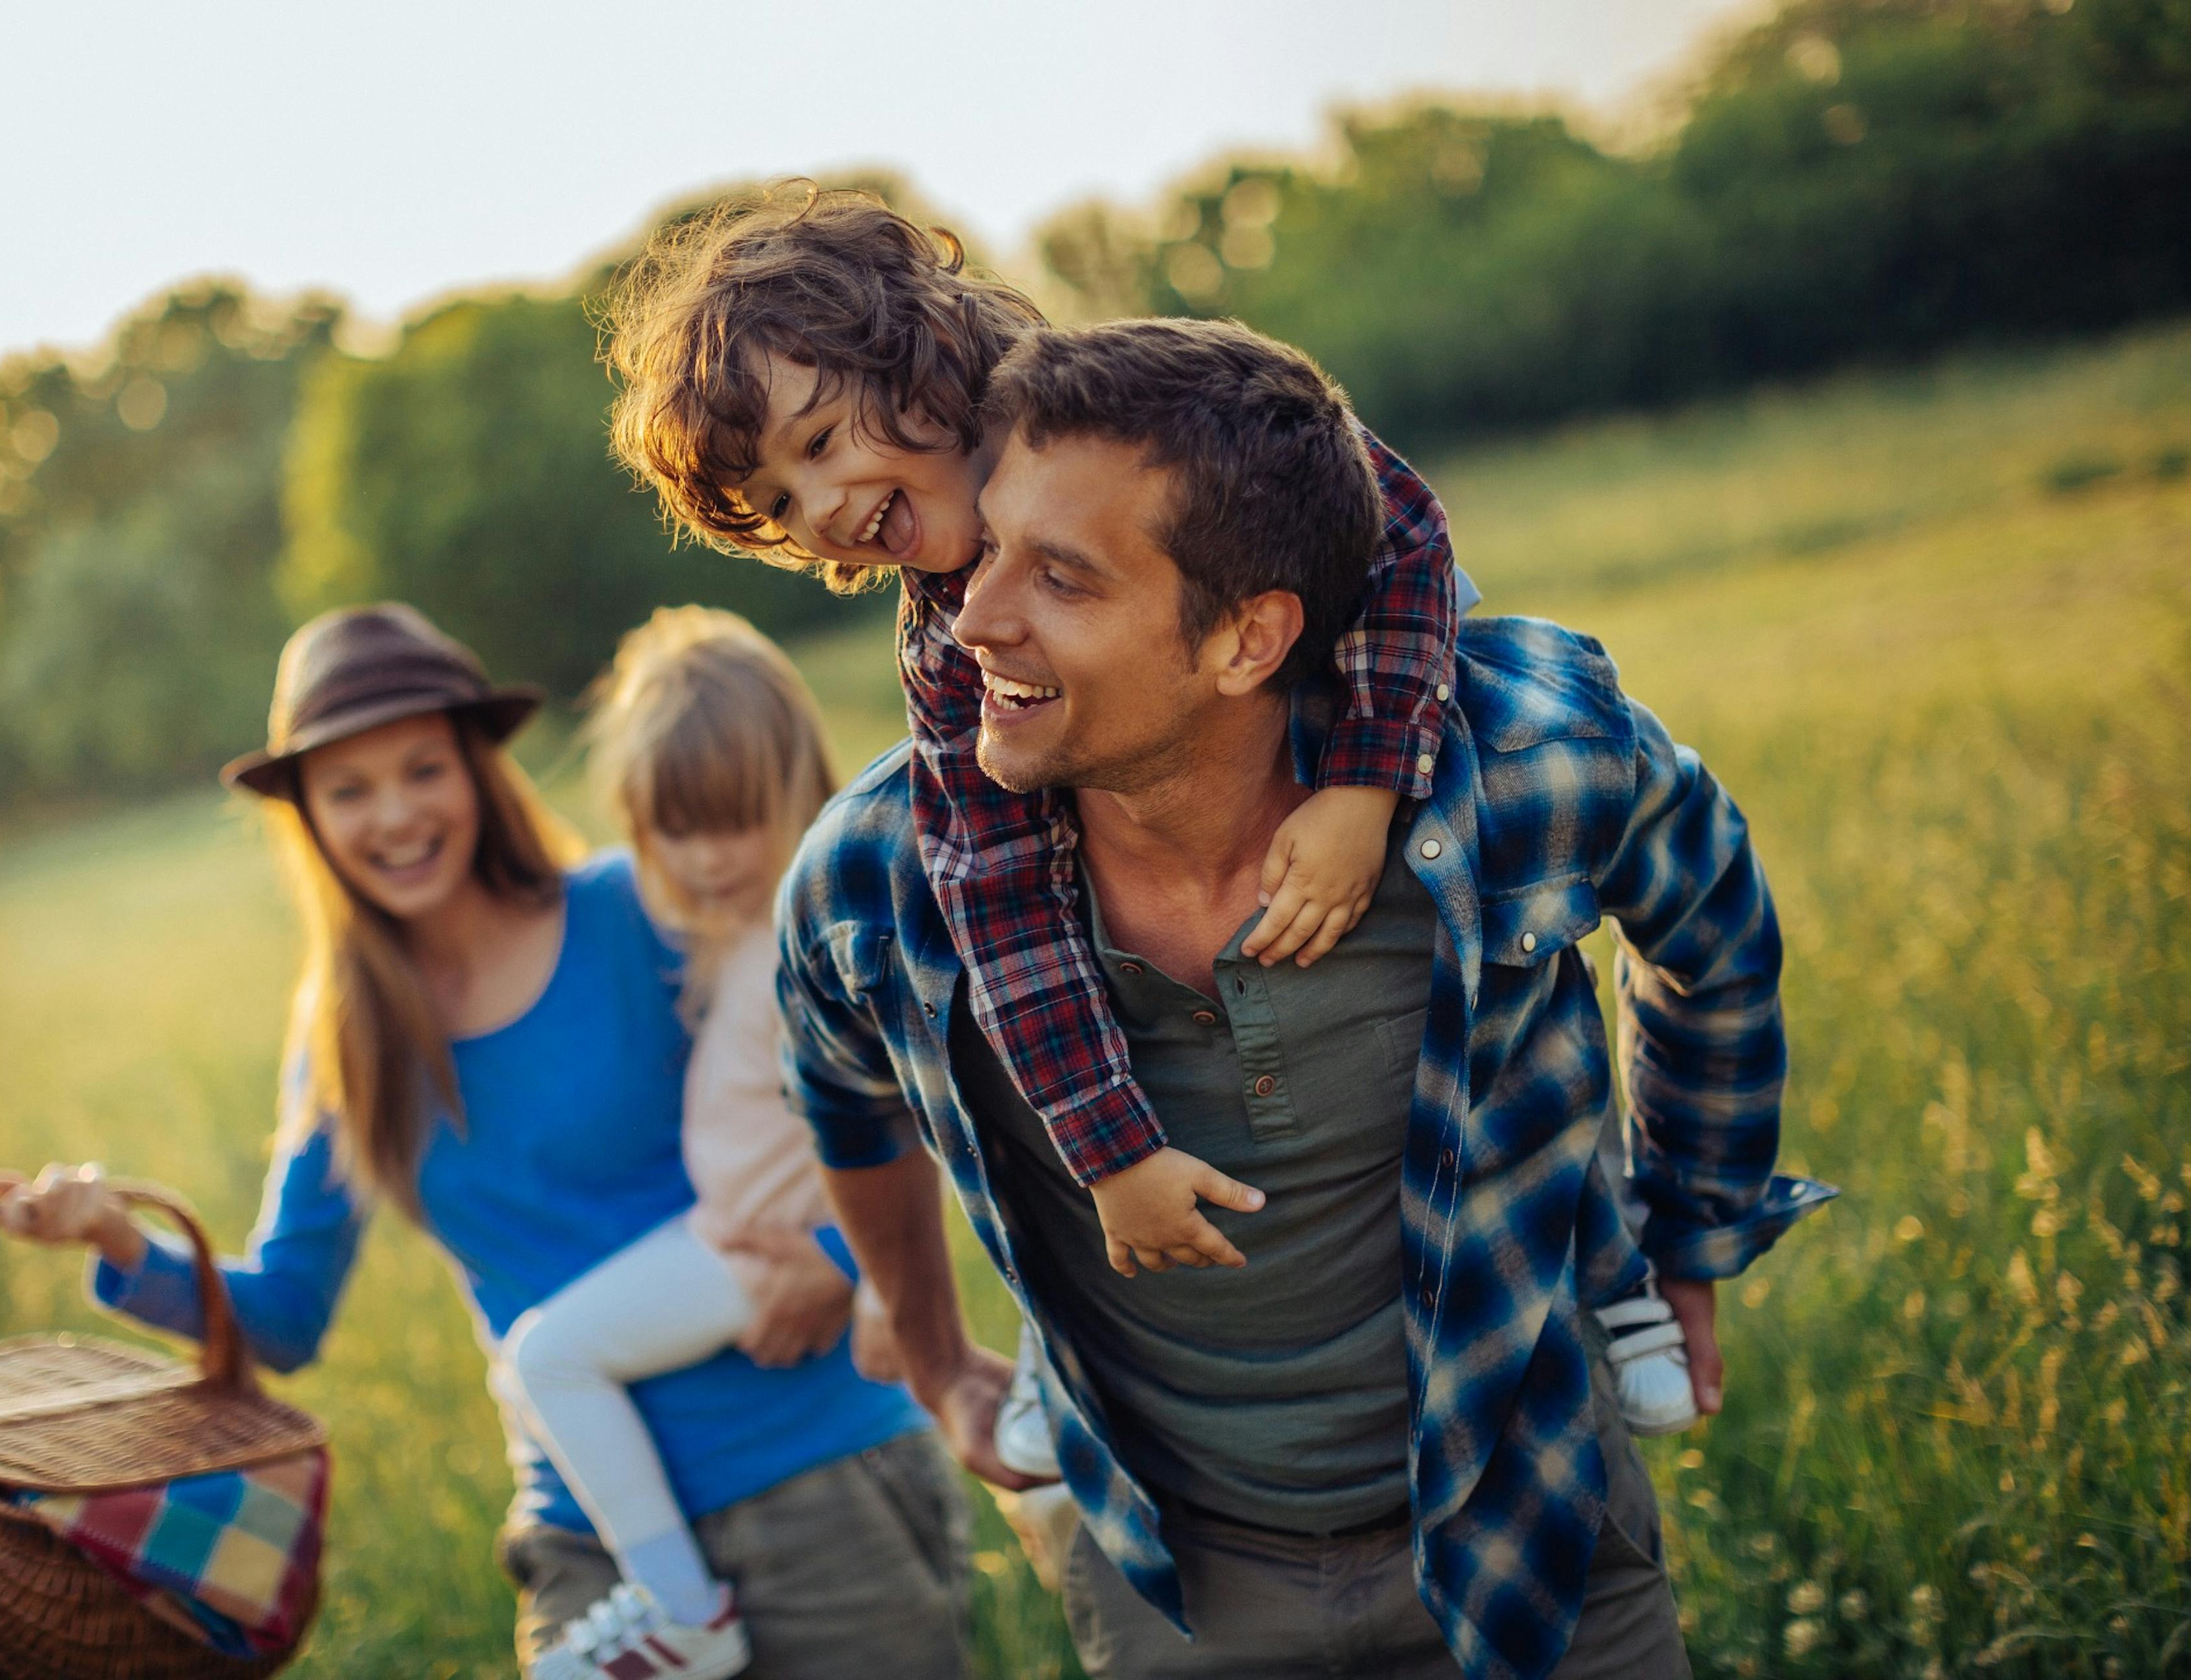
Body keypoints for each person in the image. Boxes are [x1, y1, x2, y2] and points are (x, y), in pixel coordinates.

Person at [770, 318, 1838, 1679]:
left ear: (1249, 637)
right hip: (1173, 1586)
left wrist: (1690, 1225)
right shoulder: (878, 878)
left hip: (1533, 1534)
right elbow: (840, 1094)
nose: (971, 614)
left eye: (1063, 577)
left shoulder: (1523, 765)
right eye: (990, 550)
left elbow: (1717, 930)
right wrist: (930, 1353)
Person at [602, 186, 1700, 1434]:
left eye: (817, 444)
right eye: (785, 508)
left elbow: (1404, 534)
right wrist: (1111, 1152)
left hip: (1370, 716)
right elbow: (998, 904)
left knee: (1492, 982)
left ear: (917, 349)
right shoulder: (944, 648)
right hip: (1180, 879)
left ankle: (1606, 1270)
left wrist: (1362, 789)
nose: (826, 511)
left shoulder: (1154, 410)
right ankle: (1081, 1376)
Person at [0, 603, 972, 1680]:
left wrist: (846, 1267)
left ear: (478, 773)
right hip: (591, 1540)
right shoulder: (348, 1043)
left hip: (814, 1476)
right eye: (348, 789)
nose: (394, 815)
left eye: (422, 769)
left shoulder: (640, 910)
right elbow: (285, 1315)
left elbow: (865, 1091)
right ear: (308, 818)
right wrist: (123, 1246)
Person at [495, 606, 893, 1679]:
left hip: (762, 1248)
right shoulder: (733, 926)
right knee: (529, 1368)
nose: (709, 858)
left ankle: (682, 1614)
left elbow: (908, 1109)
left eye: (735, 821)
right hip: (733, 1233)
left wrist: (852, 1262)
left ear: (797, 787)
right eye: (677, 828)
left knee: (547, 1356)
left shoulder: (802, 940)